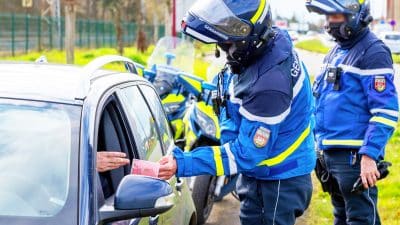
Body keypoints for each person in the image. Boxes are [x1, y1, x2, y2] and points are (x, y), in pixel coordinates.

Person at [158, 0, 316, 224]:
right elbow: (233, 89)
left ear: (247, 36)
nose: (223, 47)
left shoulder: (270, 84)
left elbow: (246, 154)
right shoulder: (265, 45)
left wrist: (183, 163)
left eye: (227, 41)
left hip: (277, 180)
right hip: (264, 172)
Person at [306, 0, 399, 224]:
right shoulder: (336, 51)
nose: (329, 23)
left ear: (355, 15)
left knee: (361, 219)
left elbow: (386, 111)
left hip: (355, 158)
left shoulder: (373, 51)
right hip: (329, 156)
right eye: (327, 17)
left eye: (335, 16)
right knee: (341, 217)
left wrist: (369, 157)